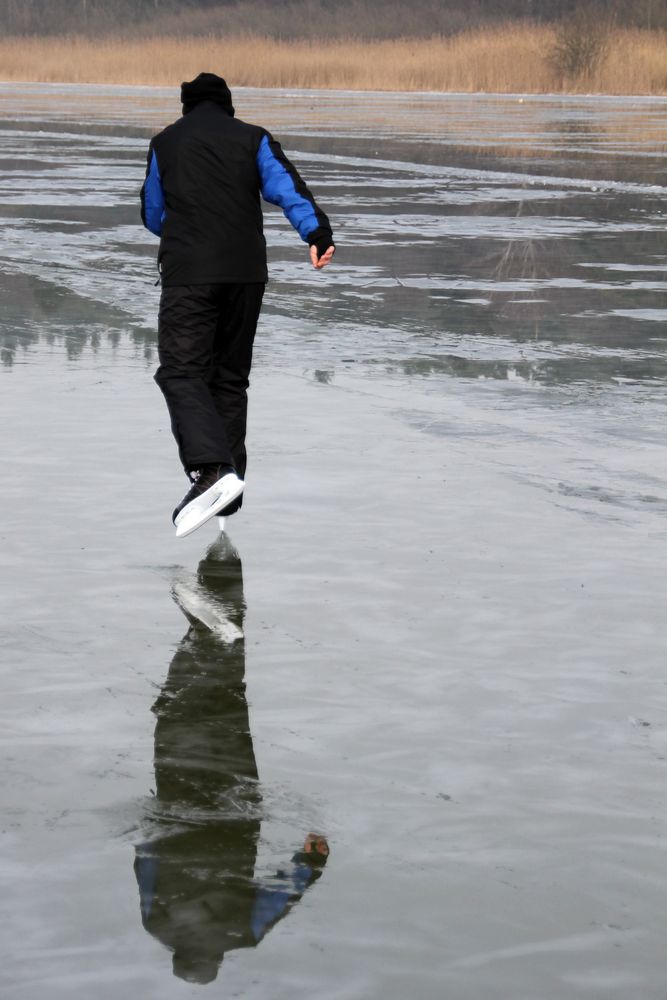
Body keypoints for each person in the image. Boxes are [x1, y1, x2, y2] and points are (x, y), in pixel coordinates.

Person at [140, 72, 335, 537]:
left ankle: (211, 471)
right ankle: (228, 494)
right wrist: (318, 233)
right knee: (229, 379)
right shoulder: (253, 138)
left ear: (186, 106)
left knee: (181, 372)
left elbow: (152, 213)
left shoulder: (166, 143)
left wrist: (187, 230)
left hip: (191, 276)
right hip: (246, 275)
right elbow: (288, 188)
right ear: (228, 105)